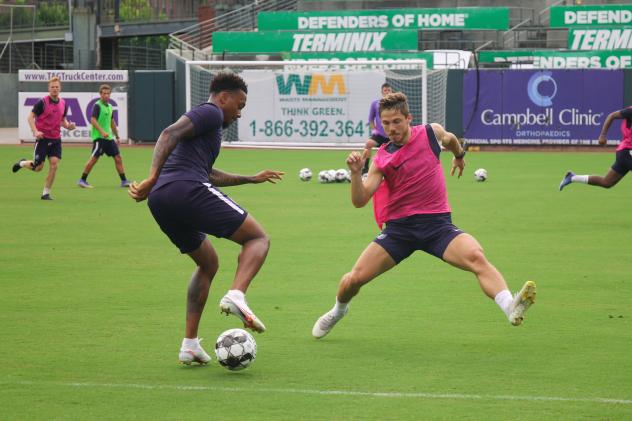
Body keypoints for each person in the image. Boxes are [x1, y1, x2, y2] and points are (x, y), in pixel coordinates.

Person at [312, 92, 536, 339]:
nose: (391, 128)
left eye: (396, 121)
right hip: (400, 231)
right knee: (353, 280)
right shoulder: (382, 158)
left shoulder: (430, 132)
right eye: (385, 123)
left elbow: (450, 140)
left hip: (438, 226)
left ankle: (510, 307)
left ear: (409, 118)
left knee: (476, 257)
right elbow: (360, 200)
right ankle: (338, 311)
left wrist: (459, 155)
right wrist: (355, 173)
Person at [129, 72, 284, 365]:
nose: (240, 112)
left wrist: (251, 179)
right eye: (239, 105)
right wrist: (150, 176)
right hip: (183, 189)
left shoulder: (208, 128)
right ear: (223, 98)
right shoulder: (210, 112)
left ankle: (189, 344)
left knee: (208, 262)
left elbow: (209, 174)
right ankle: (237, 294)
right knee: (257, 238)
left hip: (162, 200)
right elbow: (168, 134)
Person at [12, 77, 76, 200]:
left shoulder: (63, 103)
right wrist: (35, 131)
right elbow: (30, 117)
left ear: (60, 88)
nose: (55, 89)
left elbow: (62, 120)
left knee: (54, 165)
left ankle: (45, 193)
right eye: (52, 87)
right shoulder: (42, 102)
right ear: (49, 88)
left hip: (56, 139)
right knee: (38, 168)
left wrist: (69, 126)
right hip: (43, 139)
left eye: (57, 87)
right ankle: (23, 163)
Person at [559, 106, 632, 191]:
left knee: (607, 182)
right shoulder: (630, 111)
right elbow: (612, 115)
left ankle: (572, 178)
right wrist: (603, 135)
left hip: (625, 153)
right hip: (627, 151)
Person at [77, 84, 130, 188]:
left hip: (109, 139)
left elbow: (112, 122)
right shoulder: (97, 105)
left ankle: (124, 181)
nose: (106, 95)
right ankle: (82, 180)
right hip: (99, 139)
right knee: (94, 159)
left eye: (108, 93)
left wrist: (117, 136)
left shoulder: (110, 107)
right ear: (100, 94)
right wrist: (101, 132)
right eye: (104, 93)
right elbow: (93, 120)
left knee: (118, 157)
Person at [362, 82, 393, 175]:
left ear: (392, 92)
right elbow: (371, 119)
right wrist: (374, 129)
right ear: (382, 92)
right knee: (368, 144)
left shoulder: (395, 104)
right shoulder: (375, 104)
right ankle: (365, 169)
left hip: (391, 135)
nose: (387, 92)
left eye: (389, 90)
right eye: (385, 90)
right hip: (380, 135)